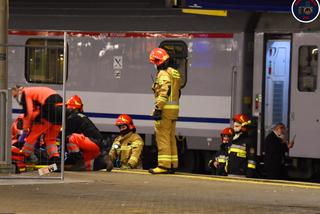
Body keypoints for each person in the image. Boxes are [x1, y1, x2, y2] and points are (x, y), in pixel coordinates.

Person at [148, 47, 181, 174]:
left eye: (154, 62)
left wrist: (158, 108)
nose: (154, 65)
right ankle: (172, 164)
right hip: (174, 109)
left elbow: (164, 91)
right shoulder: (174, 72)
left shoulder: (163, 74)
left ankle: (163, 165)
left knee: (162, 137)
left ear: (158, 61)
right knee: (171, 137)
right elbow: (178, 91)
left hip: (165, 110)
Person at [12, 85, 62, 165]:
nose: (15, 98)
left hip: (49, 109)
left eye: (14, 95)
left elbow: (29, 112)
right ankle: (55, 160)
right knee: (50, 138)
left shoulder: (26, 93)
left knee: (34, 133)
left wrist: (25, 131)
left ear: (18, 90)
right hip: (61, 111)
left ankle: (25, 156)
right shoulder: (35, 92)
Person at [64, 95, 112, 171]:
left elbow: (66, 137)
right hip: (94, 147)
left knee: (69, 137)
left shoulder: (72, 117)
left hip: (90, 143)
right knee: (87, 166)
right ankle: (103, 161)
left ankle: (78, 162)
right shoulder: (82, 117)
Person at [227, 114, 256, 178]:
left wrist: (249, 174)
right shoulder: (231, 139)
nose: (235, 125)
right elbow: (227, 155)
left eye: (238, 124)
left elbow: (252, 159)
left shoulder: (248, 141)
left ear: (244, 127)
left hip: (241, 175)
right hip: (230, 173)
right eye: (235, 123)